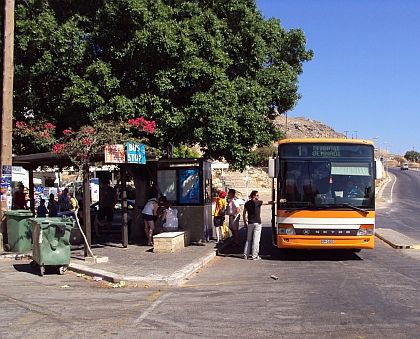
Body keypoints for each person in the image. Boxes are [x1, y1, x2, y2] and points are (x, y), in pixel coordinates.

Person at [242, 190, 275, 260]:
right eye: (257, 195)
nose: (258, 196)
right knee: (256, 240)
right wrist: (277, 201)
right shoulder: (258, 202)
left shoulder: (247, 203)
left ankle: (245, 255)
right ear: (254, 196)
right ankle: (254, 255)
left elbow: (244, 213)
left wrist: (245, 222)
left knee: (248, 239)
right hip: (257, 223)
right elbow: (268, 203)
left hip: (250, 223)